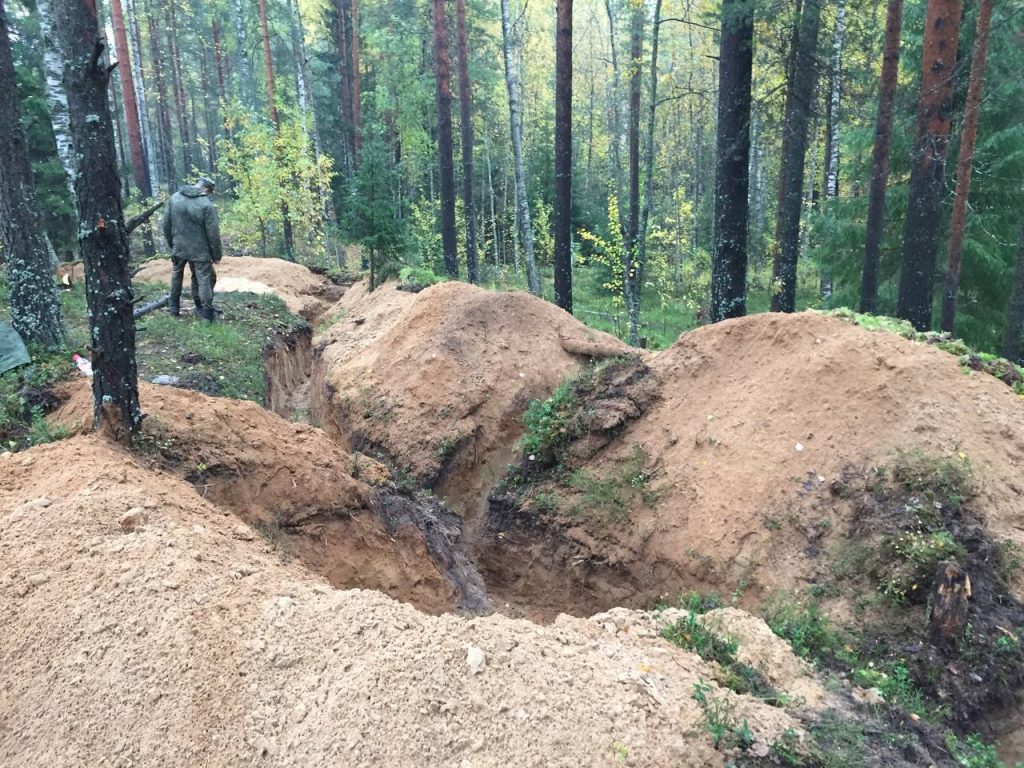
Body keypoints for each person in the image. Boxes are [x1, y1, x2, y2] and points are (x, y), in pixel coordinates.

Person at [161, 176, 223, 321]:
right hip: (200, 250)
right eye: (209, 192)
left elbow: (166, 225)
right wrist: (216, 255)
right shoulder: (206, 204)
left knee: (177, 274)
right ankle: (207, 313)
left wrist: (172, 244)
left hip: (179, 246)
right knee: (204, 279)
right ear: (206, 189)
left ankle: (174, 307)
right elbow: (213, 233)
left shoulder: (174, 198)